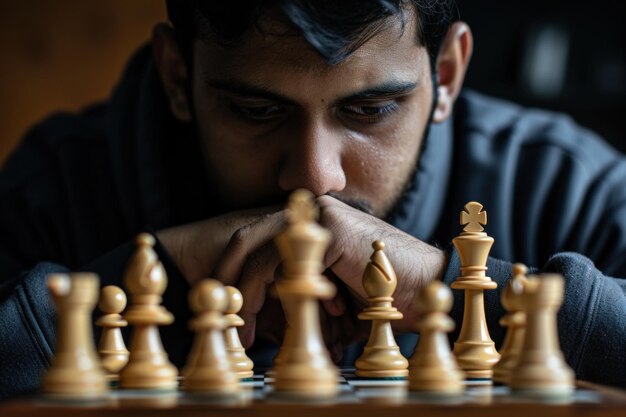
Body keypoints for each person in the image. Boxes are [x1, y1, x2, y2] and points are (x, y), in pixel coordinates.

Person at [0, 0, 624, 400]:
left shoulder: (572, 187)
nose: (314, 178)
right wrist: (144, 281)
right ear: (176, 76)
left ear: (447, 75)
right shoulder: (53, 186)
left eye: (371, 109)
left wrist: (462, 287)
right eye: (256, 111)